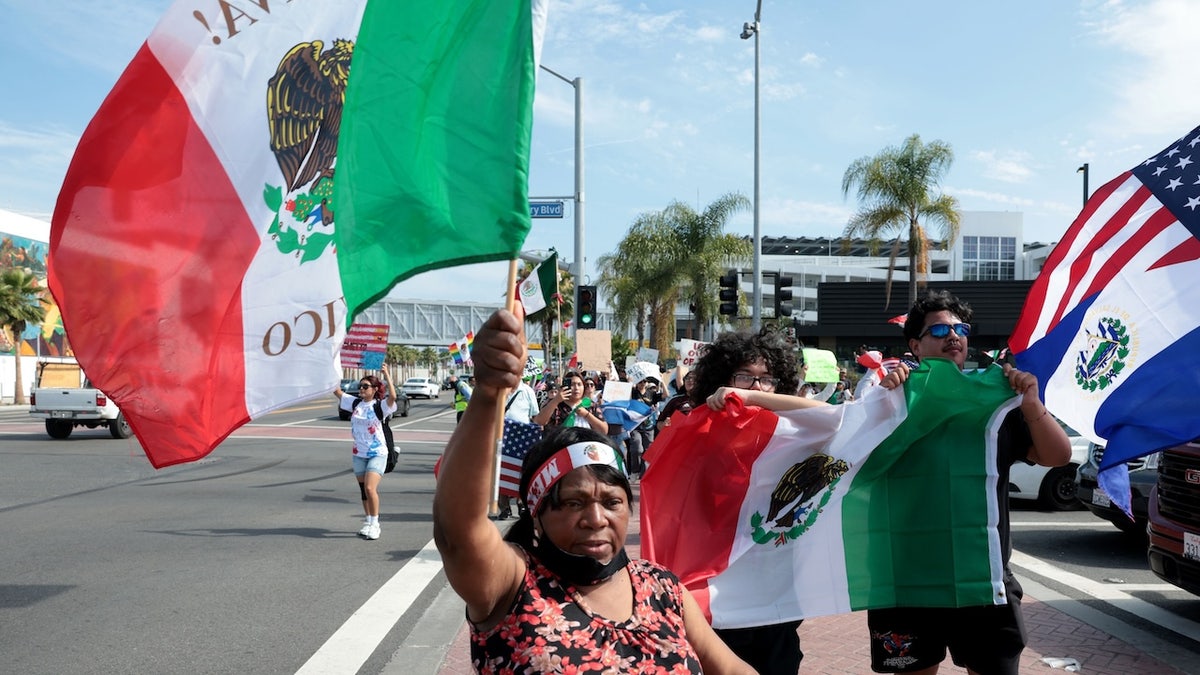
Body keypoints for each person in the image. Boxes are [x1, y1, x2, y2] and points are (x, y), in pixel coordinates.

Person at [432, 309, 755, 674]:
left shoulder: (664, 589)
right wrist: (489, 391)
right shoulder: (513, 584)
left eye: (612, 502)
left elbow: (731, 669)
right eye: (574, 502)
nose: (596, 519)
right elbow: (456, 530)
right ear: (538, 513)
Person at [867, 290, 1071, 675]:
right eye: (940, 329)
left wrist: (1031, 403)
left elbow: (1057, 457)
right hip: (907, 582)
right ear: (915, 344)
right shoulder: (893, 400)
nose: (953, 336)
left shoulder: (997, 399)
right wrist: (881, 400)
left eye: (960, 328)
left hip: (983, 582)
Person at [688, 325, 830, 675]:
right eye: (744, 377)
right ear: (721, 381)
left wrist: (753, 400)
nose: (755, 387)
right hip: (722, 590)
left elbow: (828, 417)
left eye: (766, 379)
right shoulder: (699, 430)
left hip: (775, 589)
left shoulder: (791, 431)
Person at [333, 373, 397, 541]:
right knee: (363, 491)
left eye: (365, 386)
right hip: (359, 453)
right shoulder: (355, 404)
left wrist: (387, 375)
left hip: (377, 453)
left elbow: (393, 396)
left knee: (370, 488)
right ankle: (368, 522)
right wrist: (330, 371)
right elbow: (337, 392)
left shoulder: (380, 406)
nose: (361, 389)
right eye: (360, 386)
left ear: (375, 389)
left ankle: (375, 524)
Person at [496, 374, 540, 520]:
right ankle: (504, 507)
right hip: (501, 437)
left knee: (520, 472)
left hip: (521, 440)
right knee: (501, 472)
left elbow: (535, 416)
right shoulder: (498, 389)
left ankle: (521, 504)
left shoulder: (527, 391)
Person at [533, 370, 609, 434]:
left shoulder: (590, 405)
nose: (576, 388)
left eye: (579, 384)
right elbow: (538, 422)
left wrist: (587, 415)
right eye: (572, 384)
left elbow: (604, 430)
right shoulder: (556, 404)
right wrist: (556, 400)